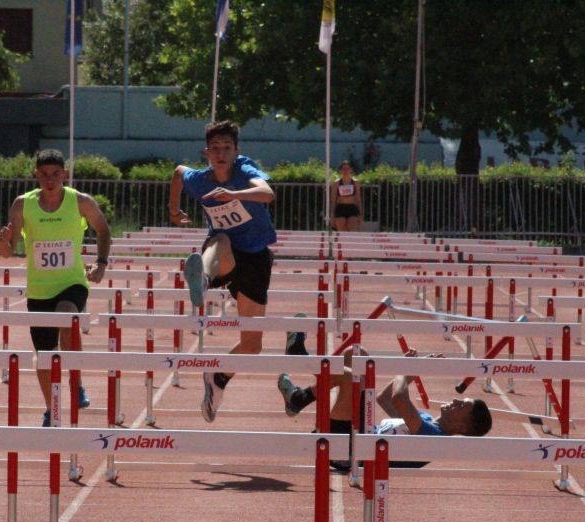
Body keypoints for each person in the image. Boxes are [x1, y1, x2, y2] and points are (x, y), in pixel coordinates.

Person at [168, 120, 277, 422]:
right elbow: (178, 173)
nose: (220, 153)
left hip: (255, 258)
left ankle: (218, 377)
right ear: (206, 153)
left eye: (226, 148)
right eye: (215, 149)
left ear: (236, 151)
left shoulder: (245, 170)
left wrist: (236, 194)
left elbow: (267, 193)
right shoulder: (200, 179)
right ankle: (201, 278)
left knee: (252, 346)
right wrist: (173, 210)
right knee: (221, 239)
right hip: (224, 254)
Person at [0, 149, 112, 426]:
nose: (50, 180)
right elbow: (7, 253)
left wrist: (101, 262)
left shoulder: (80, 202)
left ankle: (77, 384)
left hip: (72, 282)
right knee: (45, 355)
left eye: (56, 174)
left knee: (66, 314)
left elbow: (103, 229)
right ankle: (51, 409)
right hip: (39, 290)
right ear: (36, 175)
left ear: (65, 175)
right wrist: (3, 242)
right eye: (44, 175)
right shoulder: (22, 205)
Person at [277, 336, 492, 469]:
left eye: (462, 406)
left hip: (352, 453)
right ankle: (297, 400)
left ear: (462, 426)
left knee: (352, 378)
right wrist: (414, 371)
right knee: (355, 354)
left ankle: (299, 379)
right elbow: (384, 399)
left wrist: (407, 369)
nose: (455, 400)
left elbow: (399, 398)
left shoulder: (433, 438)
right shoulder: (427, 421)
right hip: (359, 434)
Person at [330, 161, 362, 232]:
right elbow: (333, 200)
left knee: (353, 230)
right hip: (340, 208)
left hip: (352, 208)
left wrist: (360, 214)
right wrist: (332, 215)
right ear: (340, 170)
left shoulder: (355, 182)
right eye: (344, 169)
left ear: (351, 170)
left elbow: (358, 199)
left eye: (347, 169)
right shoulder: (336, 183)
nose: (346, 171)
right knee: (342, 232)